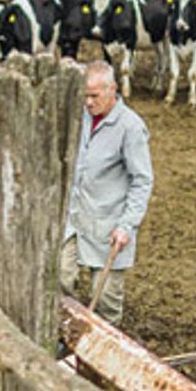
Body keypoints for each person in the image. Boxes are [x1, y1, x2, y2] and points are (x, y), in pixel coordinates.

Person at [61, 61, 154, 327]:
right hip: (74, 218)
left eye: (94, 96)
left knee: (105, 299)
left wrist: (127, 225)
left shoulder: (130, 127)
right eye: (85, 95)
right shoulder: (79, 118)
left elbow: (142, 180)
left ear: (112, 89)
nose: (88, 102)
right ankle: (60, 344)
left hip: (108, 226)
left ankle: (100, 359)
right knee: (60, 280)